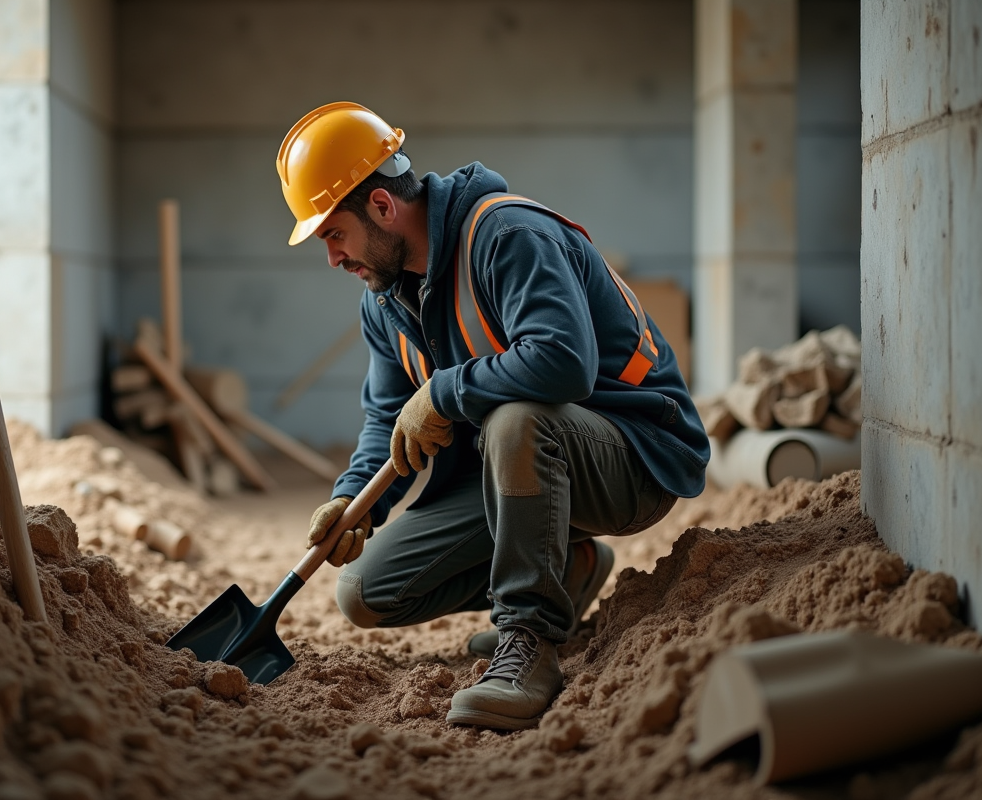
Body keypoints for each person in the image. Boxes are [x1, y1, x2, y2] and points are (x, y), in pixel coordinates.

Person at [276, 102, 709, 731]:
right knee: (367, 593)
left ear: (380, 207)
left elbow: (563, 363)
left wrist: (446, 391)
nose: (333, 258)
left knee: (516, 419)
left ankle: (529, 640)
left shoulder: (505, 236)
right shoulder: (385, 301)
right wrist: (356, 500)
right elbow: (388, 419)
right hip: (528, 471)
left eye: (333, 234)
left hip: (635, 455)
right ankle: (567, 565)